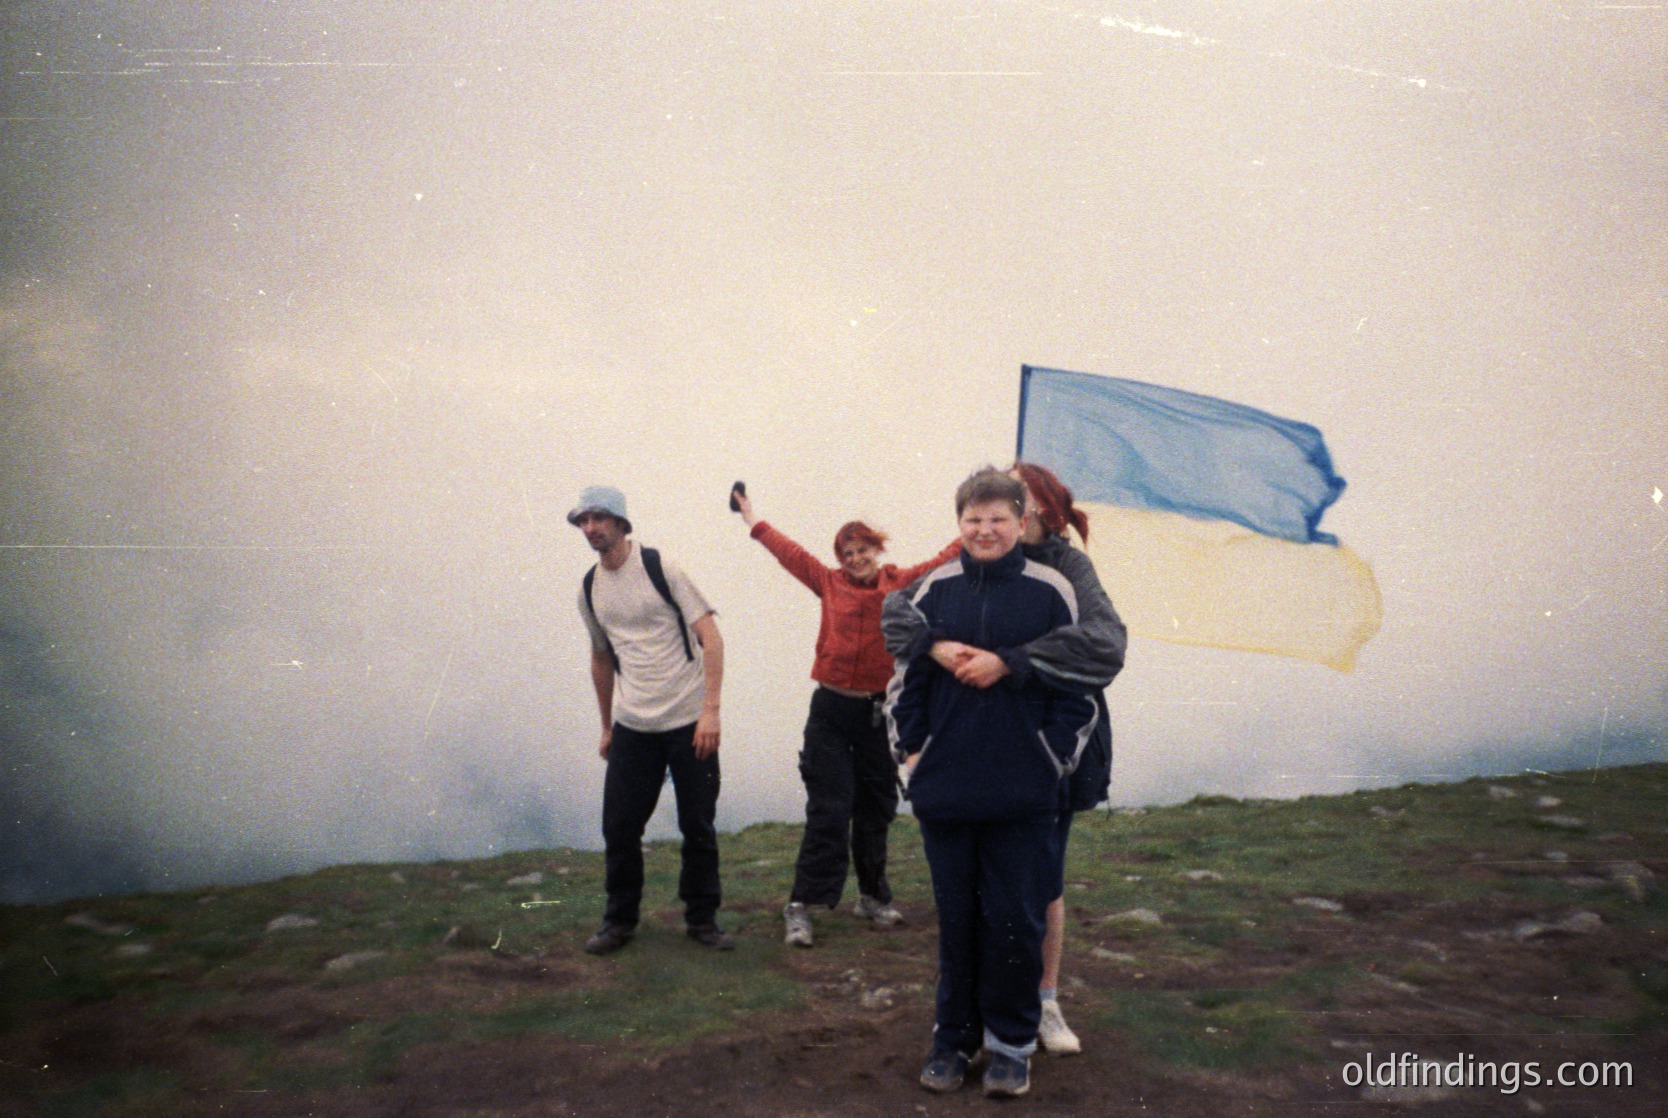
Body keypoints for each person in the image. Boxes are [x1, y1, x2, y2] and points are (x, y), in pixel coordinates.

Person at [882, 461, 1126, 1057]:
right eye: (979, 517)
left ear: (1039, 513)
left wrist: (1012, 661)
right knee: (972, 902)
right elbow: (898, 613)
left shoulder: (1067, 570)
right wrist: (932, 648)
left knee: (1038, 883)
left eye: (1022, 511)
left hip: (1047, 750)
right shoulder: (965, 553)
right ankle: (967, 1028)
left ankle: (1040, 1003)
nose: (992, 525)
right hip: (961, 758)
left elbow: (1106, 646)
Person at [731, 486, 959, 947]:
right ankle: (800, 906)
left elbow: (942, 561)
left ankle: (872, 897)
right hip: (831, 711)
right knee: (830, 808)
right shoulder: (827, 582)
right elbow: (788, 552)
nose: (856, 558)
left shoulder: (900, 584)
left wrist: (977, 525)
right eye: (847, 552)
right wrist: (751, 516)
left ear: (879, 550)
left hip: (879, 713)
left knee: (876, 808)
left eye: (863, 549)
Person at [570, 484, 734, 954]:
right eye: (583, 521)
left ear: (622, 523)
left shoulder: (661, 568)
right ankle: (618, 922)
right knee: (620, 826)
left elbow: (711, 637)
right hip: (633, 726)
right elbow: (601, 658)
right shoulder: (590, 588)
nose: (590, 528)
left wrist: (711, 712)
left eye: (599, 518)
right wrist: (606, 726)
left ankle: (702, 921)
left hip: (688, 721)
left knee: (697, 824)